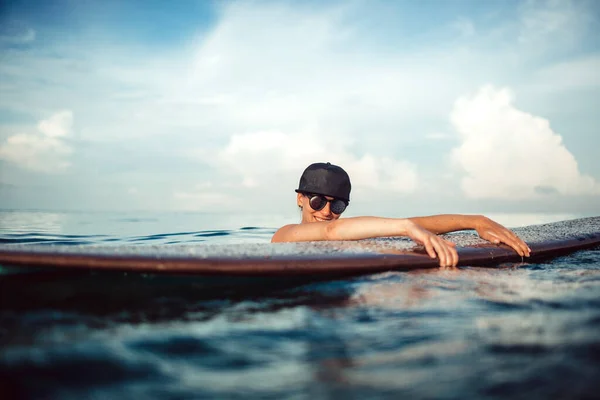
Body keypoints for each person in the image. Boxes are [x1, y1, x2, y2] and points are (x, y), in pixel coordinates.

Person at [272, 162, 531, 268]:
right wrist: (407, 228)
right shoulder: (284, 236)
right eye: (318, 202)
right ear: (300, 199)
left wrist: (476, 221)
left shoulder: (347, 237)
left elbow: (420, 224)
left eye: (337, 206)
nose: (327, 212)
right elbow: (330, 231)